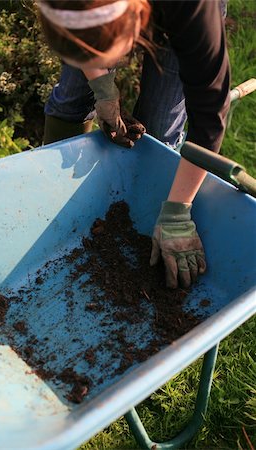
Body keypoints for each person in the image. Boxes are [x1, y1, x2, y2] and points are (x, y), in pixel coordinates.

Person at [36, 0, 230, 289]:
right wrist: (102, 87)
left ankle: (155, 211)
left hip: (178, 13)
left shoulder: (193, 11)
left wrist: (178, 211)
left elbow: (209, 118)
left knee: (160, 128)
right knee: (74, 92)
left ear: (138, 17)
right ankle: (49, 206)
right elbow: (82, 38)